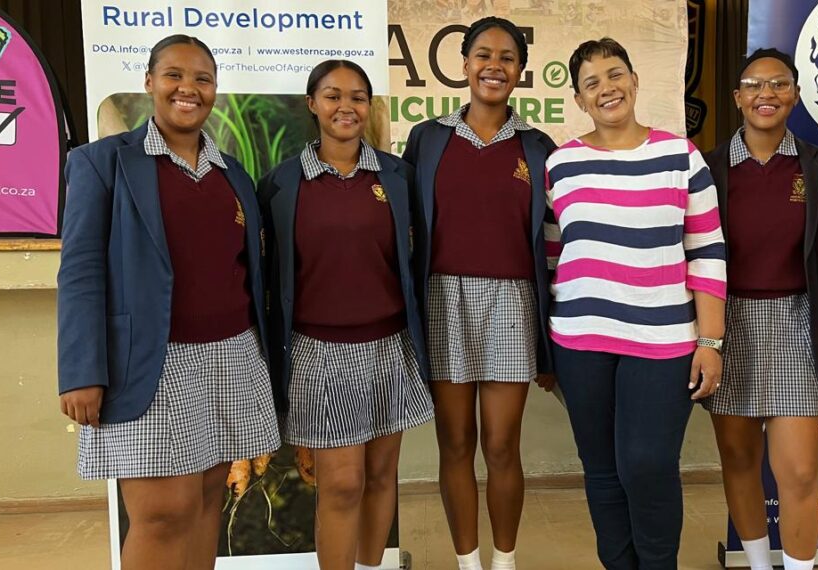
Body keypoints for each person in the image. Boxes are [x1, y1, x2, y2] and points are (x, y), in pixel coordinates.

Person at [57, 34, 279, 570]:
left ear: (215, 92)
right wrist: (80, 369)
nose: (189, 88)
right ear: (150, 82)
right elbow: (81, 270)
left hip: (230, 357)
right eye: (175, 75)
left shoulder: (232, 175)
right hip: (148, 362)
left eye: (203, 79)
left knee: (206, 501)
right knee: (162, 514)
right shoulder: (102, 163)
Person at [544, 37, 726, 569]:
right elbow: (555, 257)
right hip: (580, 341)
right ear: (579, 100)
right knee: (600, 468)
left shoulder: (680, 156)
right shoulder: (563, 164)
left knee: (646, 464)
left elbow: (708, 250)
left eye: (616, 74)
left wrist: (710, 341)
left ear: (635, 81)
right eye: (592, 83)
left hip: (664, 340)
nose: (607, 89)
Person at [258, 60, 434, 570]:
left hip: (389, 346)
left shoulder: (398, 178)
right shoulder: (279, 185)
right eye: (333, 96)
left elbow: (415, 261)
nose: (346, 107)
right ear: (311, 104)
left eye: (358, 97)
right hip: (317, 354)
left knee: (382, 477)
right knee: (341, 484)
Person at [401, 16, 557, 570]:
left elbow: (557, 237)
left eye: (507, 57)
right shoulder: (428, 138)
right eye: (483, 55)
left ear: (520, 70)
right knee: (457, 444)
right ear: (464, 64)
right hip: (444, 299)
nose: (495, 65)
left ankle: (505, 560)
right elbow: (408, 228)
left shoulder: (537, 146)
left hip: (513, 303)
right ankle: (469, 562)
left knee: (501, 446)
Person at [702, 48, 818, 570]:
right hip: (727, 323)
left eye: (778, 85)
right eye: (754, 85)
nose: (766, 95)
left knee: (799, 471)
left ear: (795, 95)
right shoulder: (707, 167)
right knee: (739, 460)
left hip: (799, 321)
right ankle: (757, 564)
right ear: (737, 98)